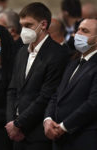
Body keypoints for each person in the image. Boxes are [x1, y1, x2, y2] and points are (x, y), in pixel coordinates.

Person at [5, 2, 69, 150]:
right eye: (22, 25)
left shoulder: (57, 54)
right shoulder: (21, 52)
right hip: (15, 134)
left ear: (44, 24)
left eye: (28, 25)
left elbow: (46, 96)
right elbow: (12, 90)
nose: (24, 30)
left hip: (37, 134)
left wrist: (19, 124)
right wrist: (11, 123)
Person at [44, 18, 97, 150]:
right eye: (77, 30)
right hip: (59, 140)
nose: (78, 34)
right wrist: (48, 119)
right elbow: (57, 95)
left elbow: (93, 103)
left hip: (83, 138)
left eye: (84, 31)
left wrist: (63, 126)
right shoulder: (73, 62)